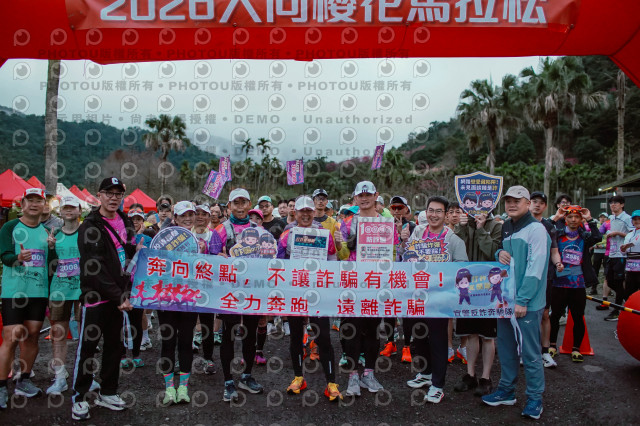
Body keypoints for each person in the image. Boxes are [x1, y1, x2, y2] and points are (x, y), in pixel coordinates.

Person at [482, 186, 550, 420]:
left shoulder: (537, 229)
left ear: (528, 203)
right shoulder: (508, 226)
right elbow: (507, 257)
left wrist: (522, 300)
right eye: (508, 200)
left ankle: (535, 398)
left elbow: (535, 267)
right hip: (506, 299)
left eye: (517, 200)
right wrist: (498, 253)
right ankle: (506, 390)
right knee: (507, 348)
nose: (511, 204)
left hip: (526, 303)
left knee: (530, 353)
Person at [71, 177, 137, 421]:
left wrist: (137, 251)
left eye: (118, 194)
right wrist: (119, 295)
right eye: (109, 193)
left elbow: (124, 252)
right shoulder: (89, 226)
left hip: (119, 299)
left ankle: (108, 391)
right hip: (97, 298)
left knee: (114, 347)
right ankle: (79, 396)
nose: (113, 198)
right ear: (99, 195)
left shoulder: (125, 220)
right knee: (87, 348)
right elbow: (94, 267)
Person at [405, 196, 468, 404]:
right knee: (419, 336)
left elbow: (462, 268)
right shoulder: (417, 232)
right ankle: (426, 373)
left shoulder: (453, 239)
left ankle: (438, 385)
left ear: (446, 214)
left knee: (438, 340)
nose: (433, 215)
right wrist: (404, 242)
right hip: (417, 296)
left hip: (440, 299)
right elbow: (407, 257)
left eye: (439, 211)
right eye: (430, 210)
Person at [279, 195, 343, 401]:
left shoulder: (324, 233)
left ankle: (331, 383)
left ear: (314, 212)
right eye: (301, 211)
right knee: (296, 336)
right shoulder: (287, 234)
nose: (305, 214)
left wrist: (330, 288)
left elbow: (332, 261)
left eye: (309, 211)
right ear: (295, 212)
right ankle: (299, 377)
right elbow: (279, 262)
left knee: (323, 336)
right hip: (295, 292)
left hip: (318, 292)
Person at [341, 181, 393, 397]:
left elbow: (392, 253)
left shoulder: (386, 222)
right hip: (353, 281)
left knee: (372, 328)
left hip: (376, 282)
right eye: (360, 195)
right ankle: (353, 375)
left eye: (368, 195)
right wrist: (341, 244)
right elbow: (342, 255)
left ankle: (369, 373)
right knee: (351, 328)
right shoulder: (346, 223)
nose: (364, 198)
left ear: (375, 195)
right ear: (355, 198)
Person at [0, 188, 50, 408]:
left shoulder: (47, 232)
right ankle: (1, 386)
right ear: (22, 204)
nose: (34, 204)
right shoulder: (10, 227)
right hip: (14, 292)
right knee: (11, 337)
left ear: (44, 205)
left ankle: (24, 380)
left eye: (38, 200)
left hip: (38, 292)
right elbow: (4, 255)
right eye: (30, 200)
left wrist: (53, 249)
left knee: (32, 336)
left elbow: (51, 265)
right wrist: (17, 258)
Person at [215, 188, 264, 402]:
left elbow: (269, 258)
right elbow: (210, 259)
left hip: (252, 290)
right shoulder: (221, 230)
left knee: (250, 335)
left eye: (244, 202)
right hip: (229, 291)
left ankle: (246, 376)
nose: (240, 207)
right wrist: (218, 257)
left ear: (250, 205)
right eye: (236, 203)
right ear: (229, 206)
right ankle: (228, 381)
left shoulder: (258, 230)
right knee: (228, 335)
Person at [156, 201, 205, 406]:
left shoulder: (200, 241)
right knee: (168, 342)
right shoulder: (162, 239)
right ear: (174, 218)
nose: (187, 218)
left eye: (190, 215)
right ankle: (169, 388)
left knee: (186, 341)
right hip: (166, 298)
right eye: (183, 215)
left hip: (188, 298)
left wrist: (206, 254)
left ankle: (183, 387)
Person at [452, 209, 502, 396]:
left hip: (487, 290)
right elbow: (456, 251)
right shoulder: (463, 224)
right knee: (470, 333)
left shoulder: (496, 226)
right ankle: (470, 374)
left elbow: (492, 253)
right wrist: (461, 227)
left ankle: (486, 377)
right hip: (466, 288)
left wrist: (481, 229)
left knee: (488, 336)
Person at [549, 205, 601, 362]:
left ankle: (576, 349)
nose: (573, 220)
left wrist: (590, 219)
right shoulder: (557, 234)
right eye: (570, 217)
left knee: (578, 317)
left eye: (577, 217)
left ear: (580, 219)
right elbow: (543, 230)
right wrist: (556, 217)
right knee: (555, 316)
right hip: (558, 282)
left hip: (577, 284)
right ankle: (552, 345)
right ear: (566, 219)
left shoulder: (584, 236)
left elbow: (598, 237)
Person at [46, 196, 83, 395]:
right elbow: (50, 265)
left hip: (82, 291)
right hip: (59, 290)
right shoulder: (55, 234)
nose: (69, 211)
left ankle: (84, 376)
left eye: (72, 207)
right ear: (60, 211)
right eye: (65, 208)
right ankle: (60, 376)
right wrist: (51, 248)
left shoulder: (86, 233)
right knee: (58, 333)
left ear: (79, 211)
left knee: (85, 335)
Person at [528, 191, 562, 369]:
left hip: (545, 276)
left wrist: (558, 263)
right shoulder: (519, 223)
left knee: (544, 314)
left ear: (546, 206)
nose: (537, 205)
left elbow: (554, 251)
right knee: (523, 313)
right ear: (528, 203)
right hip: (525, 277)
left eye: (541, 202)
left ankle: (545, 351)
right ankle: (524, 351)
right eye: (534, 201)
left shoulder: (549, 227)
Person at [381, 195, 416, 362]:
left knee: (407, 311)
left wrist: (404, 239)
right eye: (393, 208)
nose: (396, 211)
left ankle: (407, 346)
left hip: (406, 274)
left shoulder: (414, 227)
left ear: (406, 210)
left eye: (400, 208)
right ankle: (390, 342)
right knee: (389, 309)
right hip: (386, 272)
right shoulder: (383, 226)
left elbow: (415, 252)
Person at [190, 202, 223, 374]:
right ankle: (184, 358)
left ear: (210, 217)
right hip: (187, 285)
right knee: (186, 323)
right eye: (197, 213)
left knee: (207, 323)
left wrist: (206, 250)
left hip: (207, 286)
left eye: (204, 214)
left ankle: (209, 358)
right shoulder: (186, 233)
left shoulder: (213, 234)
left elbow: (217, 258)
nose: (200, 217)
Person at [602, 195, 634, 321]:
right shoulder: (611, 217)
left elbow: (634, 234)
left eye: (616, 202)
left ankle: (617, 310)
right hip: (611, 253)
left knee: (619, 282)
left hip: (622, 254)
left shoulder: (627, 218)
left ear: (622, 204)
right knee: (609, 281)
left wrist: (618, 233)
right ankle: (628, 300)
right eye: (611, 203)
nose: (613, 205)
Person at [621, 210, 640, 299]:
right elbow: (624, 252)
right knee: (629, 293)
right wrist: (623, 249)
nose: (637, 221)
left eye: (639, 219)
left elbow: (636, 242)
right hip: (630, 267)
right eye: (635, 219)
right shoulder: (629, 235)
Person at [590, 212, 609, 296]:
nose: (602, 219)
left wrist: (603, 245)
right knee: (595, 270)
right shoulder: (596, 227)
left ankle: (608, 289)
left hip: (606, 251)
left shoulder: (609, 226)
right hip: (597, 251)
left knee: (607, 271)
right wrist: (595, 246)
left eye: (604, 217)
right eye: (601, 217)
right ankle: (593, 288)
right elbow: (592, 237)